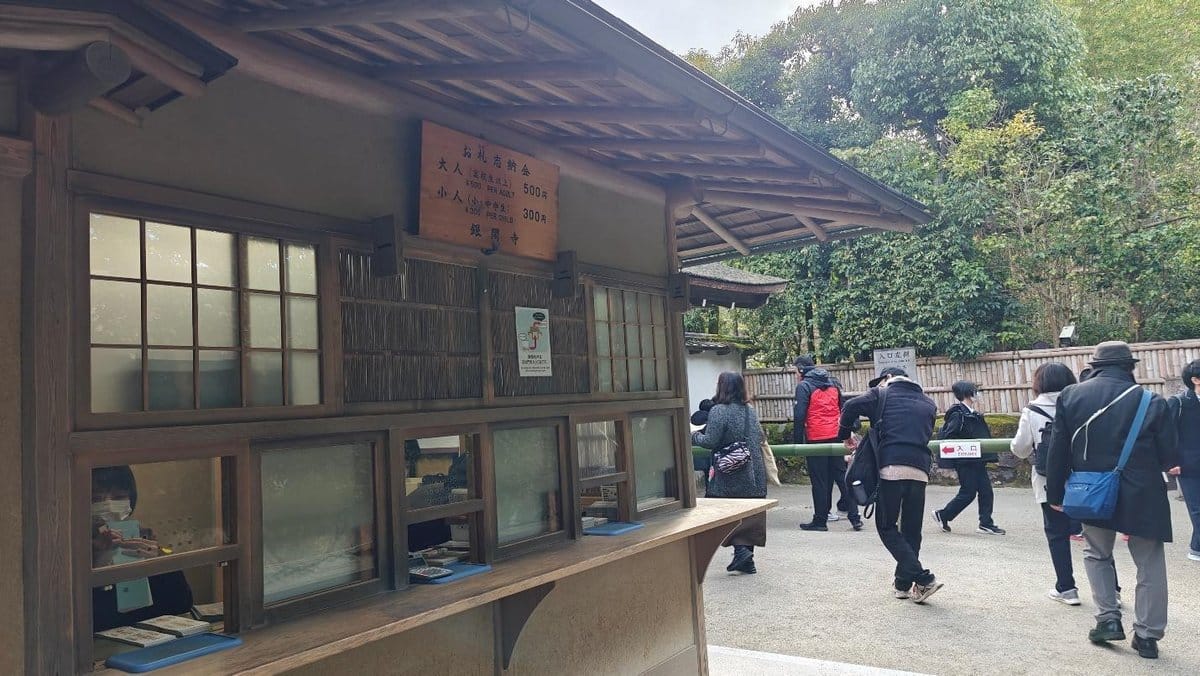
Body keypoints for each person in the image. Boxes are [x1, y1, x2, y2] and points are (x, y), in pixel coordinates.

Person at [1046, 341, 1178, 659]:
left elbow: (1058, 448)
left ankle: (1107, 620)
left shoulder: (1071, 396)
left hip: (1093, 491)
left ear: (1096, 365)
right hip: (1144, 493)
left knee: (1097, 553)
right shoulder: (1152, 401)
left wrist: (1055, 493)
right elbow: (1169, 457)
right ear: (1130, 366)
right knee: (1149, 564)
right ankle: (1147, 637)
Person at [839, 367, 941, 603]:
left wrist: (845, 435)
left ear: (887, 379)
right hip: (920, 470)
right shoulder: (928, 403)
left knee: (886, 526)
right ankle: (903, 584)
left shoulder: (881, 394)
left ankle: (924, 579)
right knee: (912, 530)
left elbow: (851, 406)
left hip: (891, 468)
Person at [1011, 363, 1084, 605]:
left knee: (1057, 534)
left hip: (1047, 481)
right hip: (1084, 478)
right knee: (1096, 534)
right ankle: (1111, 589)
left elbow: (1020, 449)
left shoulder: (1032, 409)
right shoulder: (1081, 403)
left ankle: (1067, 588)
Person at [91, 466, 194, 632]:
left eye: (118, 497)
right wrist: (94, 563)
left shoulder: (140, 540)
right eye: (96, 499)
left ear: (130, 501)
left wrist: (160, 565)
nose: (108, 506)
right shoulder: (69, 549)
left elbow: (181, 605)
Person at [692, 372, 768, 574]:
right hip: (754, 470)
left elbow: (709, 441)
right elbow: (760, 436)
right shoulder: (750, 410)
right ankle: (746, 559)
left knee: (721, 508)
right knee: (750, 514)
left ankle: (741, 551)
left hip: (731, 471)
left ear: (721, 387)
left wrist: (694, 436)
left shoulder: (719, 411)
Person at [794, 356, 862, 532]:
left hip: (816, 438)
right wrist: (845, 434)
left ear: (801, 370)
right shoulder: (833, 383)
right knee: (841, 477)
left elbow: (800, 416)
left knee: (820, 481)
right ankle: (855, 517)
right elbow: (842, 409)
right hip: (835, 435)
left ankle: (820, 520)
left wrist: (796, 443)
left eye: (795, 371)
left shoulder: (804, 386)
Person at [932, 381, 1005, 535]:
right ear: (967, 394)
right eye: (974, 391)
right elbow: (950, 436)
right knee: (968, 492)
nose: (977, 394)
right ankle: (943, 515)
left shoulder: (971, 414)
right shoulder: (958, 414)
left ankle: (986, 523)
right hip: (965, 460)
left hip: (976, 459)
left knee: (986, 491)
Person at [1167, 359, 1200, 562]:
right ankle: (1196, 548)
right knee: (1197, 508)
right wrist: (1170, 463)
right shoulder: (1178, 402)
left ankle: (1196, 546)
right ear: (1195, 380)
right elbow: (1166, 434)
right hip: (1187, 465)